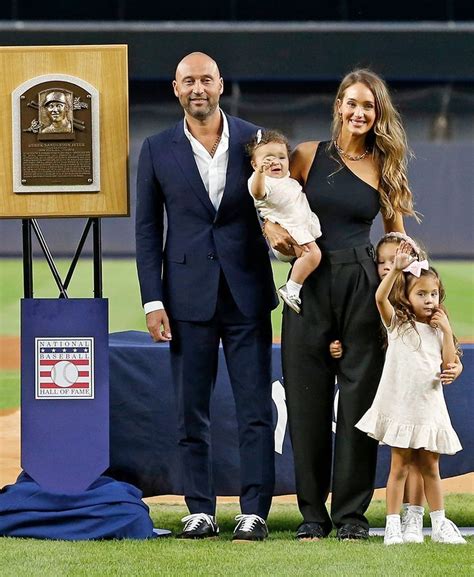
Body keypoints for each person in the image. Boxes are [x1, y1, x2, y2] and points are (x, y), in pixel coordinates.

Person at [263, 68, 418, 541]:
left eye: (368, 106)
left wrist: (409, 275)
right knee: (306, 400)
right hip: (308, 281)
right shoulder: (307, 155)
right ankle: (313, 515)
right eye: (351, 103)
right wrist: (269, 231)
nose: (359, 112)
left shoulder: (385, 167)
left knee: (358, 403)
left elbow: (395, 235)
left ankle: (351, 516)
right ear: (338, 107)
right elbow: (270, 200)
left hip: (361, 281)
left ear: (377, 114)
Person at [135, 52, 278, 542]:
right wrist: (153, 301)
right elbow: (148, 230)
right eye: (189, 81)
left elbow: (276, 204)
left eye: (207, 80)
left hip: (246, 293)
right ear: (175, 88)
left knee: (255, 406)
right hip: (185, 297)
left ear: (221, 84)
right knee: (190, 407)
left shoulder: (254, 140)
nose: (199, 88)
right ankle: (200, 509)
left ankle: (254, 510)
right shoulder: (155, 148)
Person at [330, 232, 463, 543]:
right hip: (402, 406)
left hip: (428, 407)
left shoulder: (437, 327)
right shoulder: (398, 325)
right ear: (406, 296)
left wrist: (445, 329)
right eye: (421, 294)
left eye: (434, 294)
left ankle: (440, 524)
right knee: (399, 465)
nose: (430, 301)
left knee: (430, 465)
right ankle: (393, 525)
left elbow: (448, 363)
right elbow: (379, 298)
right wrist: (399, 270)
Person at [246, 129, 322, 314]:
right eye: (268, 158)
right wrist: (259, 173)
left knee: (312, 257)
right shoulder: (263, 182)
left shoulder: (288, 180)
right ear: (254, 163)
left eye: (282, 157)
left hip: (300, 228)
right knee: (313, 255)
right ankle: (292, 288)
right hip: (288, 233)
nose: (275, 161)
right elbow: (257, 193)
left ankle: (297, 287)